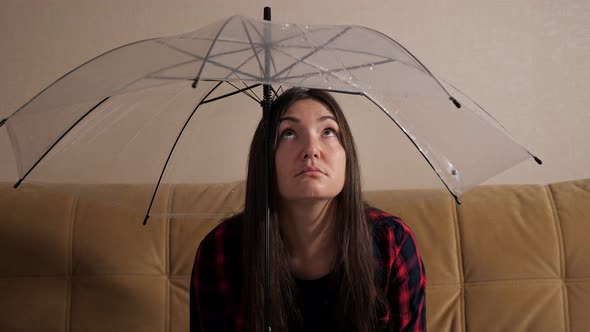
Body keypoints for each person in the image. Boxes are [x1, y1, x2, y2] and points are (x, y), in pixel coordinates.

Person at [190, 87, 426, 332]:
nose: (311, 150)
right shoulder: (220, 249)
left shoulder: (391, 243)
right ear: (265, 159)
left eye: (328, 131)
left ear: (348, 156)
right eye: (289, 133)